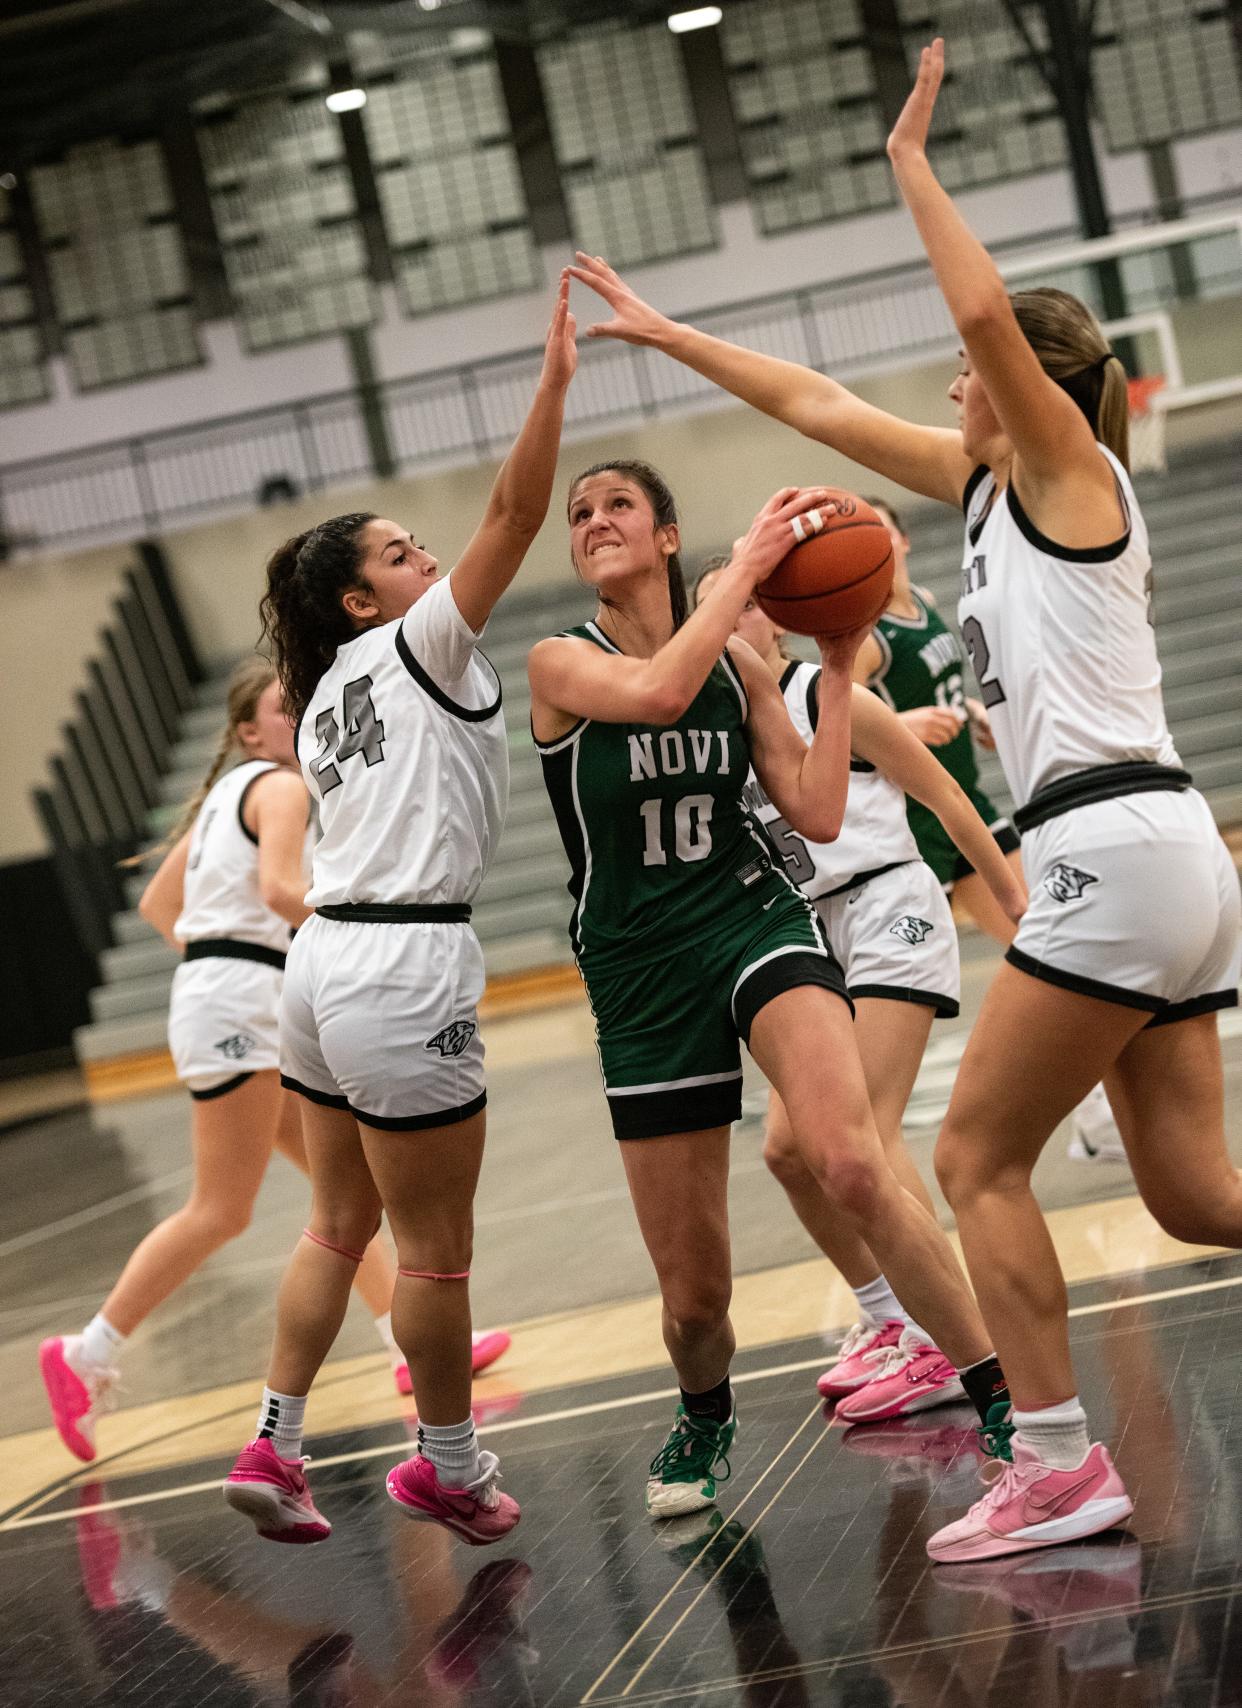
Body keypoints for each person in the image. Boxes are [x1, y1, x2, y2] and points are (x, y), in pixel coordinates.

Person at [566, 38, 1241, 1559]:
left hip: (1108, 844)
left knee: (967, 1162)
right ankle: (1053, 1456)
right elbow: (810, 400)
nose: (953, 383)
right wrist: (666, 334)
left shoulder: (1071, 470)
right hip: (1165, 846)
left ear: (1042, 391)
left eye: (974, 378)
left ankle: (1059, 1461)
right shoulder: (991, 491)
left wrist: (910, 166)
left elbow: (989, 315)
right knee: (1197, 1195)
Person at [529, 456, 1015, 1520]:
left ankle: (999, 1393)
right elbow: (654, 692)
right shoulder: (561, 660)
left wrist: (837, 665)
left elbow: (816, 808)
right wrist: (746, 570)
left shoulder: (741, 671)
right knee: (695, 1296)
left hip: (750, 913)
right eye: (579, 512)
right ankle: (704, 1411)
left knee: (847, 1158)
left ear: (662, 535)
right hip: (638, 968)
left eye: (619, 504)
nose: (595, 520)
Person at [222, 278, 577, 1548]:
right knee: (432, 1250)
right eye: (396, 552)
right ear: (366, 604)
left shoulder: (324, 695)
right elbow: (518, 508)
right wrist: (553, 379)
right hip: (402, 960)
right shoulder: (417, 644)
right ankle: (449, 1461)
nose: (425, 553)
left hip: (320, 965)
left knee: (336, 1222)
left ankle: (276, 1438)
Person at [37, 657, 419, 1462]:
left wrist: (213, 967)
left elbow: (156, 904)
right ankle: (87, 1353)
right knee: (223, 1207)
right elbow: (284, 891)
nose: (298, 716)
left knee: (339, 1187)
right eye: (285, 707)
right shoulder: (278, 787)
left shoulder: (226, 793)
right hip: (242, 1001)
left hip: (235, 995)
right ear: (251, 728)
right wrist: (365, 928)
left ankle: (407, 1348)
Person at [692, 562, 1025, 1419]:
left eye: (747, 608)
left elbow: (949, 795)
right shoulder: (711, 735)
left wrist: (1014, 901)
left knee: (867, 1132)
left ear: (777, 623)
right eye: (716, 611)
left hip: (887, 906)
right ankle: (888, 1314)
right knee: (786, 1151)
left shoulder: (824, 696)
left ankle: (942, 1342)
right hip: (803, 932)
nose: (734, 624)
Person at [859, 498, 1125, 1163]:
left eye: (873, 524)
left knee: (1051, 946)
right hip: (914, 825)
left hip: (964, 802)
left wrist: (968, 710)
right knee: (1024, 956)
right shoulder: (863, 637)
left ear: (901, 538)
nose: (864, 536)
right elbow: (833, 726)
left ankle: (1093, 1111)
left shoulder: (918, 600)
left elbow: (940, 685)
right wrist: (904, 728)